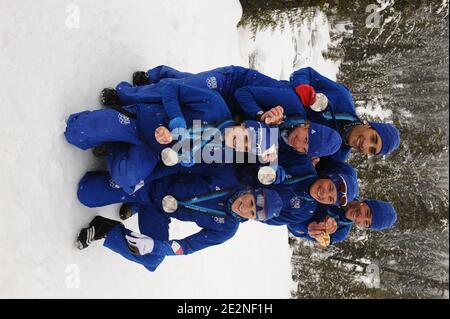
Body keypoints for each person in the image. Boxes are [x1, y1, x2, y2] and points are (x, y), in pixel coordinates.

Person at [75, 166, 283, 272]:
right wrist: (143, 178)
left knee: (152, 258)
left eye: (253, 213)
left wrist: (157, 245)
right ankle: (123, 182)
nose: (245, 208)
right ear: (251, 191)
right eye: (251, 202)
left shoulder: (227, 229)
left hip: (158, 211)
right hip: (147, 184)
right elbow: (181, 163)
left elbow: (187, 247)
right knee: (86, 193)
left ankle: (104, 229)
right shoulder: (227, 176)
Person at [103, 65, 307, 124]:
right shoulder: (291, 103)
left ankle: (162, 73)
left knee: (189, 89)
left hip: (229, 109)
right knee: (182, 86)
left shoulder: (286, 134)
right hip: (231, 82)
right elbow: (242, 92)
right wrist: (259, 114)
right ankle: (125, 95)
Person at [290, 67, 400, 162]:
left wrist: (311, 163)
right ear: (369, 125)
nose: (365, 145)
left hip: (276, 135)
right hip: (278, 102)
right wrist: (302, 86)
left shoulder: (337, 157)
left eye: (372, 150)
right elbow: (307, 73)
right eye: (373, 138)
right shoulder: (342, 98)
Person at [288, 199, 398, 247]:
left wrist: (311, 226)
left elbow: (295, 229)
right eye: (367, 213)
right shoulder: (344, 188)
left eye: (366, 223)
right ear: (366, 203)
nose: (360, 218)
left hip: (281, 209)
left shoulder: (340, 232)